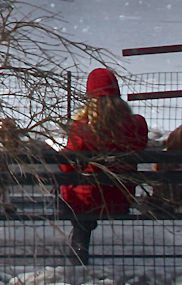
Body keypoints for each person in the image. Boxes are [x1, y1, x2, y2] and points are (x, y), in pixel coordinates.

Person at [59, 67, 148, 263]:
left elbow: (66, 166)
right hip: (121, 199)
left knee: (74, 188)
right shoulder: (137, 124)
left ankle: (80, 245)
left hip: (88, 201)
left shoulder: (82, 127)